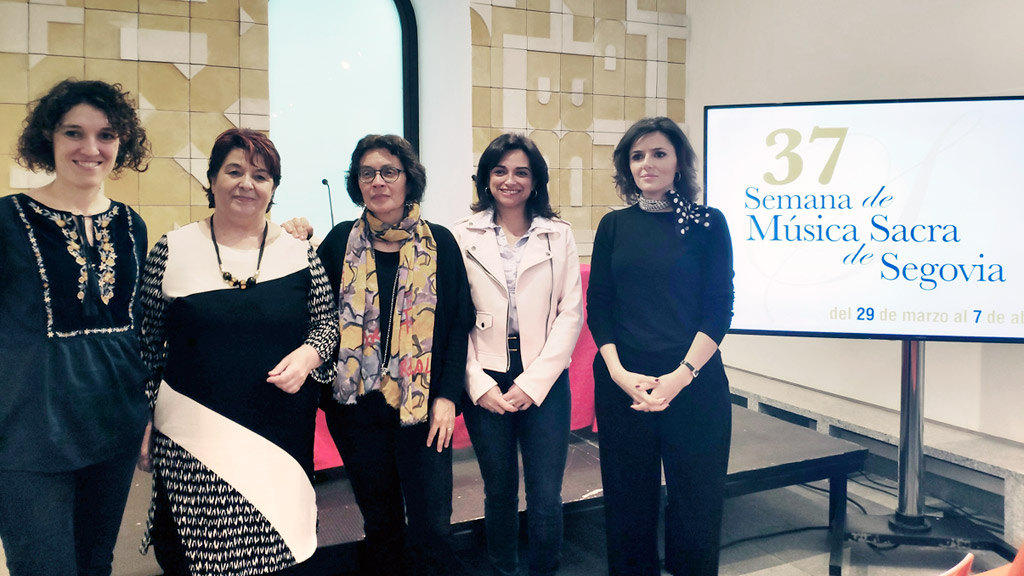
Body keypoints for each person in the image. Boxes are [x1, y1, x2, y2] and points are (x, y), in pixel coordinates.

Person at [137, 128, 339, 575]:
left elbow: (327, 326)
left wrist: (308, 355)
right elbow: (146, 348)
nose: (247, 183)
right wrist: (143, 419)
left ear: (273, 189)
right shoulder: (172, 251)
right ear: (211, 179)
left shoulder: (300, 253)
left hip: (279, 437)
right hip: (193, 437)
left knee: (280, 554)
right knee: (194, 560)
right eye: (234, 171)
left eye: (261, 175)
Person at [0, 79, 151, 576]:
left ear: (122, 143)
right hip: (29, 432)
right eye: (74, 133)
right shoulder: (8, 218)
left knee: (95, 563)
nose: (91, 149)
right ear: (49, 137)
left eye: (106, 135)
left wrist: (149, 412)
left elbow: (138, 327)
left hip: (113, 424)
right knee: (43, 567)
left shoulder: (131, 224)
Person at [316, 134, 473, 576]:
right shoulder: (337, 243)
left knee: (432, 524)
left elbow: (457, 324)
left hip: (422, 408)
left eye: (389, 171)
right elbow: (315, 314)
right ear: (357, 183)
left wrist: (447, 395)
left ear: (409, 179)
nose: (378, 181)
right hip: (358, 410)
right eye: (367, 173)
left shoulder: (439, 243)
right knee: (380, 522)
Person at [587, 117, 735, 576]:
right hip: (623, 385)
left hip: (693, 380)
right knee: (628, 507)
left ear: (679, 163)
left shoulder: (708, 223)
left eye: (658, 154)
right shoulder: (614, 226)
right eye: (637, 155)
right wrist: (616, 372)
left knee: (697, 502)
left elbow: (719, 307)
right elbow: (600, 306)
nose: (646, 163)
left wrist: (680, 377)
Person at [452, 133, 583, 576]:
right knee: (499, 489)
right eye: (500, 170)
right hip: (486, 375)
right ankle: (503, 568)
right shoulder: (460, 234)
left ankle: (545, 569)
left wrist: (533, 382)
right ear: (486, 178)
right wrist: (478, 383)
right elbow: (452, 319)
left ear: (535, 180)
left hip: (542, 376)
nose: (510, 180)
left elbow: (571, 313)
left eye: (521, 172)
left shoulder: (557, 234)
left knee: (546, 493)